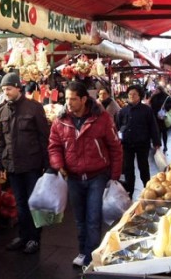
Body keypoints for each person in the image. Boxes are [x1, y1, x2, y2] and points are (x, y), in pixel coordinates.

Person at [49, 81, 123, 268]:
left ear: (83, 99)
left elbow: (115, 148)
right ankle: (83, 251)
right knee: (79, 219)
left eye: (73, 99)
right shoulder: (60, 120)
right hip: (73, 177)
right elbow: (54, 146)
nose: (69, 103)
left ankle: (91, 257)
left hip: (97, 176)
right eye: (67, 99)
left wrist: (114, 177)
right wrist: (58, 164)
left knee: (93, 218)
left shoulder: (102, 118)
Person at [0, 71, 51, 255]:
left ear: (18, 88)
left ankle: (34, 238)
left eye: (9, 89)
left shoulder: (34, 108)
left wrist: (48, 165)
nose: (6, 92)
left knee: (33, 203)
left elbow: (44, 137)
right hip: (12, 165)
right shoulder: (2, 111)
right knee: (20, 204)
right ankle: (23, 236)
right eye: (4, 89)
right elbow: (1, 141)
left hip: (32, 164)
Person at [115, 84, 160, 199]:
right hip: (127, 144)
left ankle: (147, 189)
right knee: (128, 169)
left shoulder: (146, 110)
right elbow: (118, 126)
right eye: (130, 94)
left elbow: (153, 127)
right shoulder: (123, 110)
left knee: (143, 166)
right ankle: (129, 191)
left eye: (134, 94)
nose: (131, 96)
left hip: (142, 143)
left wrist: (156, 143)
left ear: (140, 96)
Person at [148, 85, 171, 149]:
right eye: (155, 89)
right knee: (156, 132)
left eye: (157, 90)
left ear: (161, 90)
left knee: (164, 132)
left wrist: (165, 107)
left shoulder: (166, 97)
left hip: (162, 117)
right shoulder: (154, 96)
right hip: (155, 117)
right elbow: (150, 104)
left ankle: (165, 145)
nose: (155, 91)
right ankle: (158, 145)